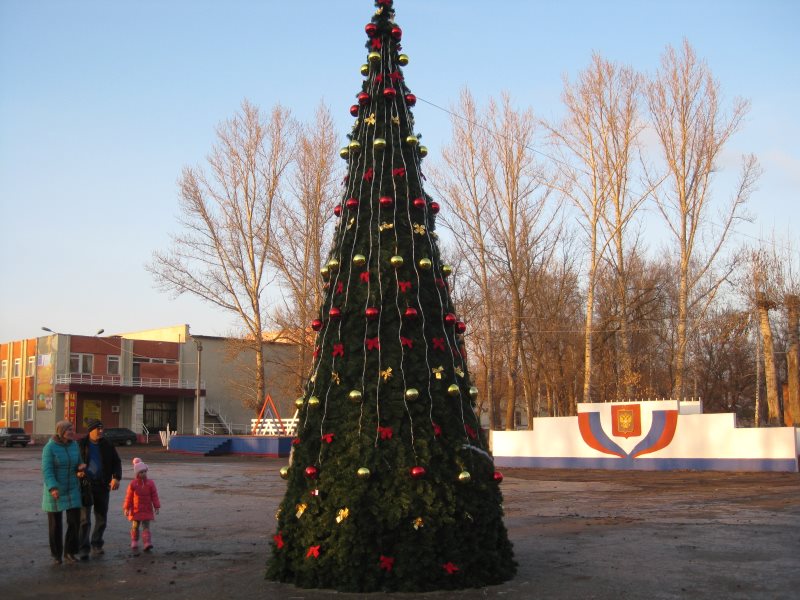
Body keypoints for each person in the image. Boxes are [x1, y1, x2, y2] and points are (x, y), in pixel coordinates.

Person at [41, 420, 86, 564]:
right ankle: (56, 555)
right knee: (55, 525)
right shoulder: (50, 448)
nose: (72, 432)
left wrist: (80, 468)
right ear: (60, 432)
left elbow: (78, 462)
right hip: (55, 489)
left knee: (74, 522)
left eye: (72, 429)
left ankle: (70, 552)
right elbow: (47, 470)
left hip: (72, 487)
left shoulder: (74, 445)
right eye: (68, 430)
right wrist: (53, 487)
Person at [78, 419, 122, 559]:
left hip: (102, 485)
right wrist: (76, 471)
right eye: (98, 429)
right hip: (85, 486)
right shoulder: (81, 444)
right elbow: (74, 462)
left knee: (101, 517)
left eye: (102, 429)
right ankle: (83, 548)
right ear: (91, 430)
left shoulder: (107, 445)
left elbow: (116, 462)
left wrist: (116, 477)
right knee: (84, 519)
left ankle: (96, 544)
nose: (101, 431)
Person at [123, 457, 160, 553]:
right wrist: (126, 508)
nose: (143, 474)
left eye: (144, 471)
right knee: (135, 525)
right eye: (141, 472)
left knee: (146, 527)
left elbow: (154, 495)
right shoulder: (133, 484)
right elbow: (129, 497)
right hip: (136, 510)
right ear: (137, 473)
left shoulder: (150, 483)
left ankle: (147, 543)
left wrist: (156, 506)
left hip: (147, 509)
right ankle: (134, 541)